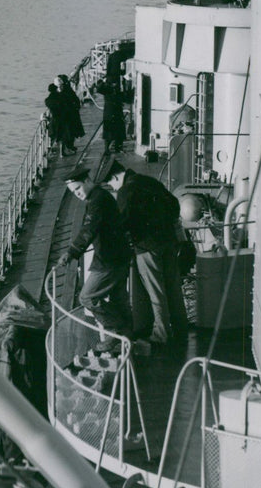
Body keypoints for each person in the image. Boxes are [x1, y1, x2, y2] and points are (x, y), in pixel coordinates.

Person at [105, 159, 188, 347]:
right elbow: (174, 204)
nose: (113, 187)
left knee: (156, 292)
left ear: (117, 177)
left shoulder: (126, 191)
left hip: (146, 247)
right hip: (168, 241)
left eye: (111, 183)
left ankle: (162, 334)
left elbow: (122, 221)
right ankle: (181, 330)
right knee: (174, 288)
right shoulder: (149, 181)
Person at [57, 165, 133, 353]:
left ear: (88, 181)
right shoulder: (101, 197)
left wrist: (72, 252)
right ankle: (128, 336)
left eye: (77, 189)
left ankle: (115, 330)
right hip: (119, 255)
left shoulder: (97, 201)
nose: (77, 194)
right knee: (118, 298)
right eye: (73, 192)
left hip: (109, 259)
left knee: (87, 296)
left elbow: (89, 229)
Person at [95, 78, 126, 156]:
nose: (115, 85)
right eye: (113, 83)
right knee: (108, 132)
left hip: (117, 113)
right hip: (109, 113)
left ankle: (118, 147)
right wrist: (103, 81)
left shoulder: (118, 91)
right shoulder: (107, 90)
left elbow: (124, 98)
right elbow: (98, 89)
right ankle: (106, 149)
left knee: (119, 130)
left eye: (115, 83)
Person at [56, 74, 84, 155]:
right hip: (70, 115)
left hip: (63, 115)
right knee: (70, 132)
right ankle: (69, 147)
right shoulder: (68, 91)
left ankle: (64, 150)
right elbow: (75, 100)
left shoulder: (58, 93)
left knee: (64, 133)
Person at [44, 83, 66, 155]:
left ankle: (51, 151)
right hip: (61, 118)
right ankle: (62, 152)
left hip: (53, 119)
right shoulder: (60, 97)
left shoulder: (48, 100)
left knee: (53, 135)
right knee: (62, 135)